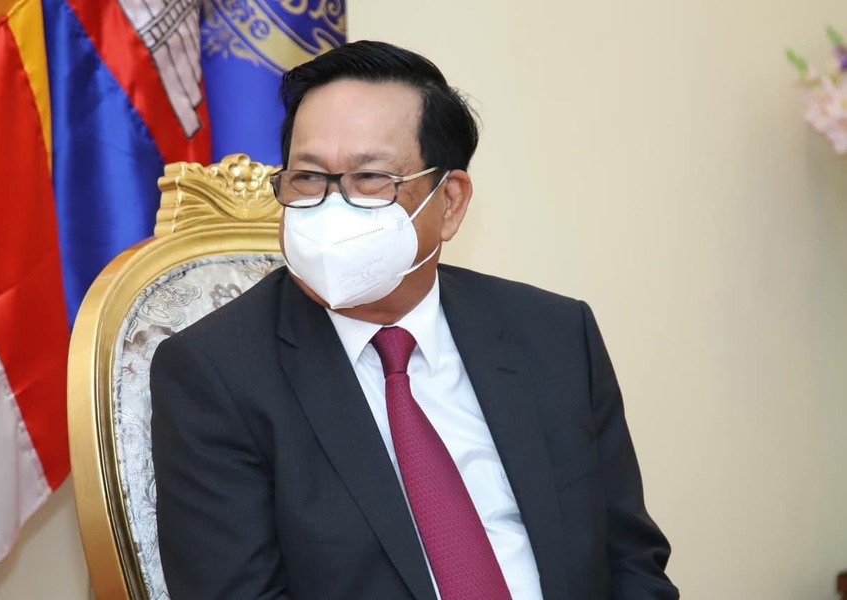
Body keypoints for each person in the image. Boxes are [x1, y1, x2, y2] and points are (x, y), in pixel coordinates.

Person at [150, 40, 679, 600]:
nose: (331, 207)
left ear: (449, 202)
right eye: (308, 177)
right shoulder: (215, 373)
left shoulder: (554, 335)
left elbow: (630, 563)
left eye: (370, 178)